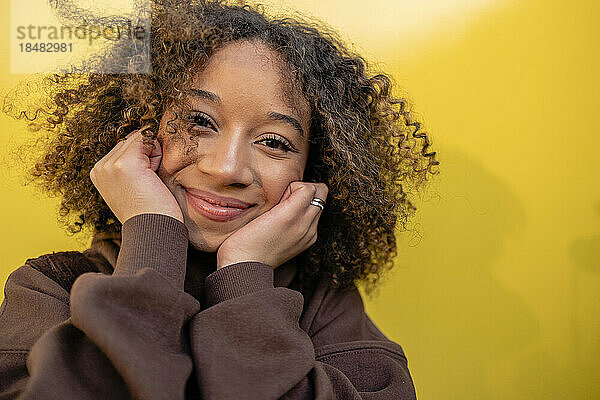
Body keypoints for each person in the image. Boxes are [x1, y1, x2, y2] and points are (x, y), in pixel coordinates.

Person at [0, 0, 439, 398]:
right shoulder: (48, 288)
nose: (226, 168)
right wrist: (153, 228)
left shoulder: (329, 310)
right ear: (136, 131)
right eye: (199, 121)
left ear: (313, 174)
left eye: (273, 141)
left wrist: (244, 275)